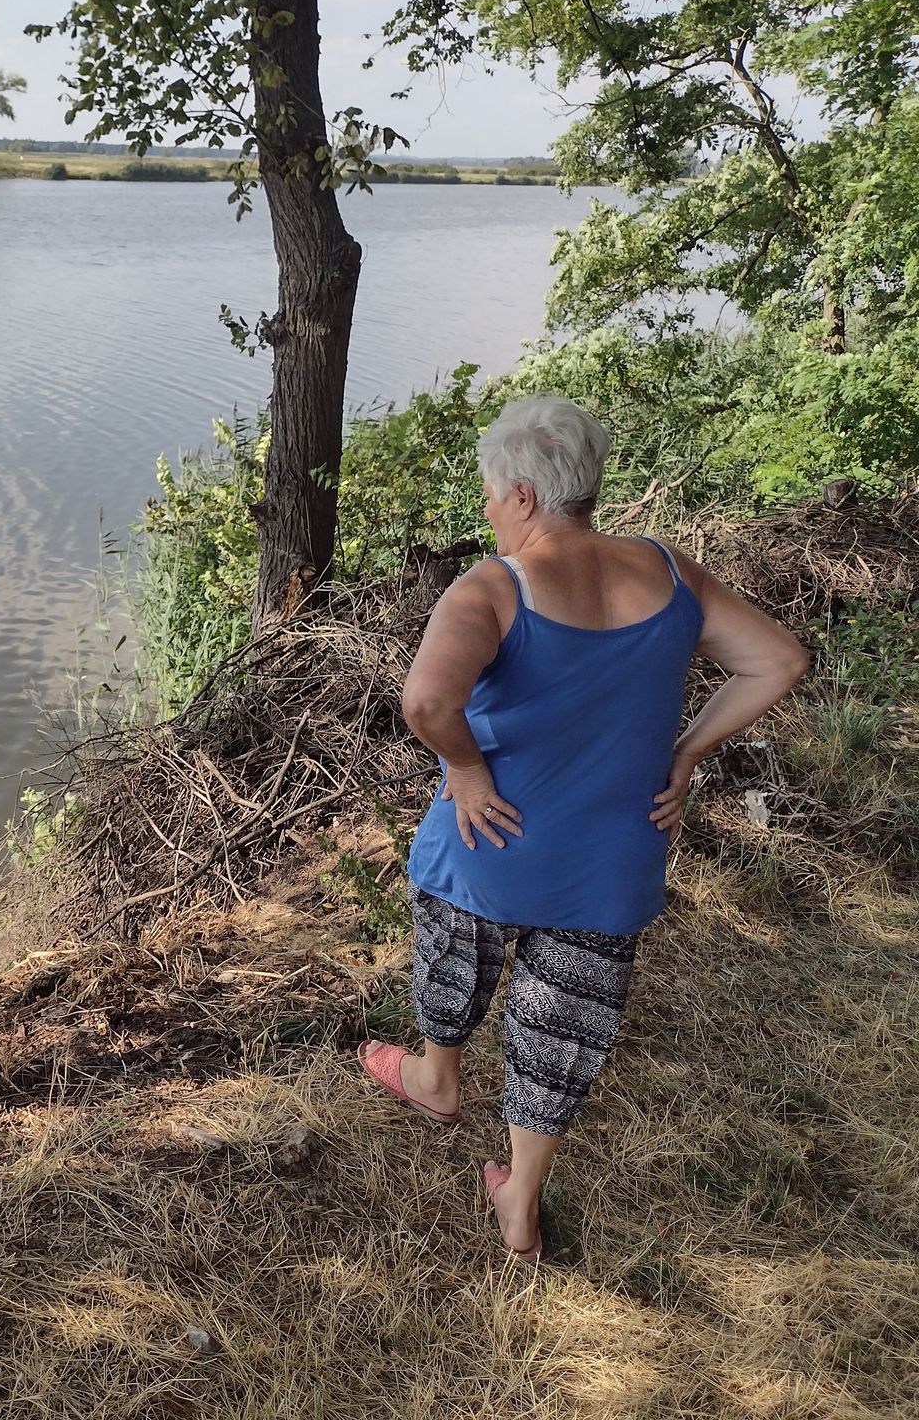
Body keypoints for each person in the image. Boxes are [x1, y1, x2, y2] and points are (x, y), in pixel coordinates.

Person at [358, 395, 810, 1260]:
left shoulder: (494, 586)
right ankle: (520, 1202)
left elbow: (426, 702)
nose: (490, 511)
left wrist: (466, 770)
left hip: (489, 843)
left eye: (492, 495)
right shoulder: (671, 573)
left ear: (524, 496)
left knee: (455, 955)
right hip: (611, 860)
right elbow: (779, 661)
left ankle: (436, 1077)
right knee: (563, 1026)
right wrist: (686, 753)